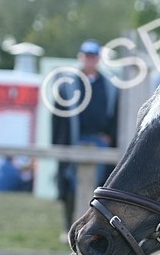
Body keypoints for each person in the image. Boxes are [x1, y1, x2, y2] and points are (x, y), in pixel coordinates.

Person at [51, 39, 120, 231]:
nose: (90, 60)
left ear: (98, 59)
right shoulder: (67, 84)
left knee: (100, 186)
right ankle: (69, 228)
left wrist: (109, 135)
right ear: (81, 57)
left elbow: (116, 114)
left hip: (99, 140)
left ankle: (92, 229)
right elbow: (57, 118)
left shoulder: (110, 85)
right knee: (69, 185)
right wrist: (59, 143)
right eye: (87, 56)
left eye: (93, 56)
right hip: (74, 140)